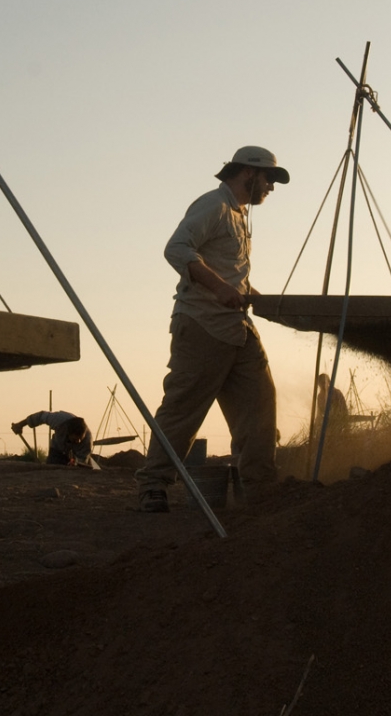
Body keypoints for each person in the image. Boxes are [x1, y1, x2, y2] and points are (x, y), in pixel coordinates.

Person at [135, 146, 288, 513]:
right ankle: (153, 484)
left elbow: (231, 274)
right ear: (248, 174)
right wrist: (219, 288)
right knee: (183, 408)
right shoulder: (214, 206)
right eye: (268, 179)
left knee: (260, 406)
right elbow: (177, 248)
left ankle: (259, 487)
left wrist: (259, 298)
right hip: (202, 325)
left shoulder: (238, 217)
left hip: (237, 330)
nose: (270, 187)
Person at [12, 411, 92, 467]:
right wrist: (20, 425)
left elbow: (82, 461)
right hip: (57, 448)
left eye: (80, 439)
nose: (78, 442)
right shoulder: (58, 419)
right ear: (68, 432)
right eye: (75, 439)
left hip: (75, 457)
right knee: (52, 465)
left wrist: (76, 463)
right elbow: (40, 416)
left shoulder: (87, 441)